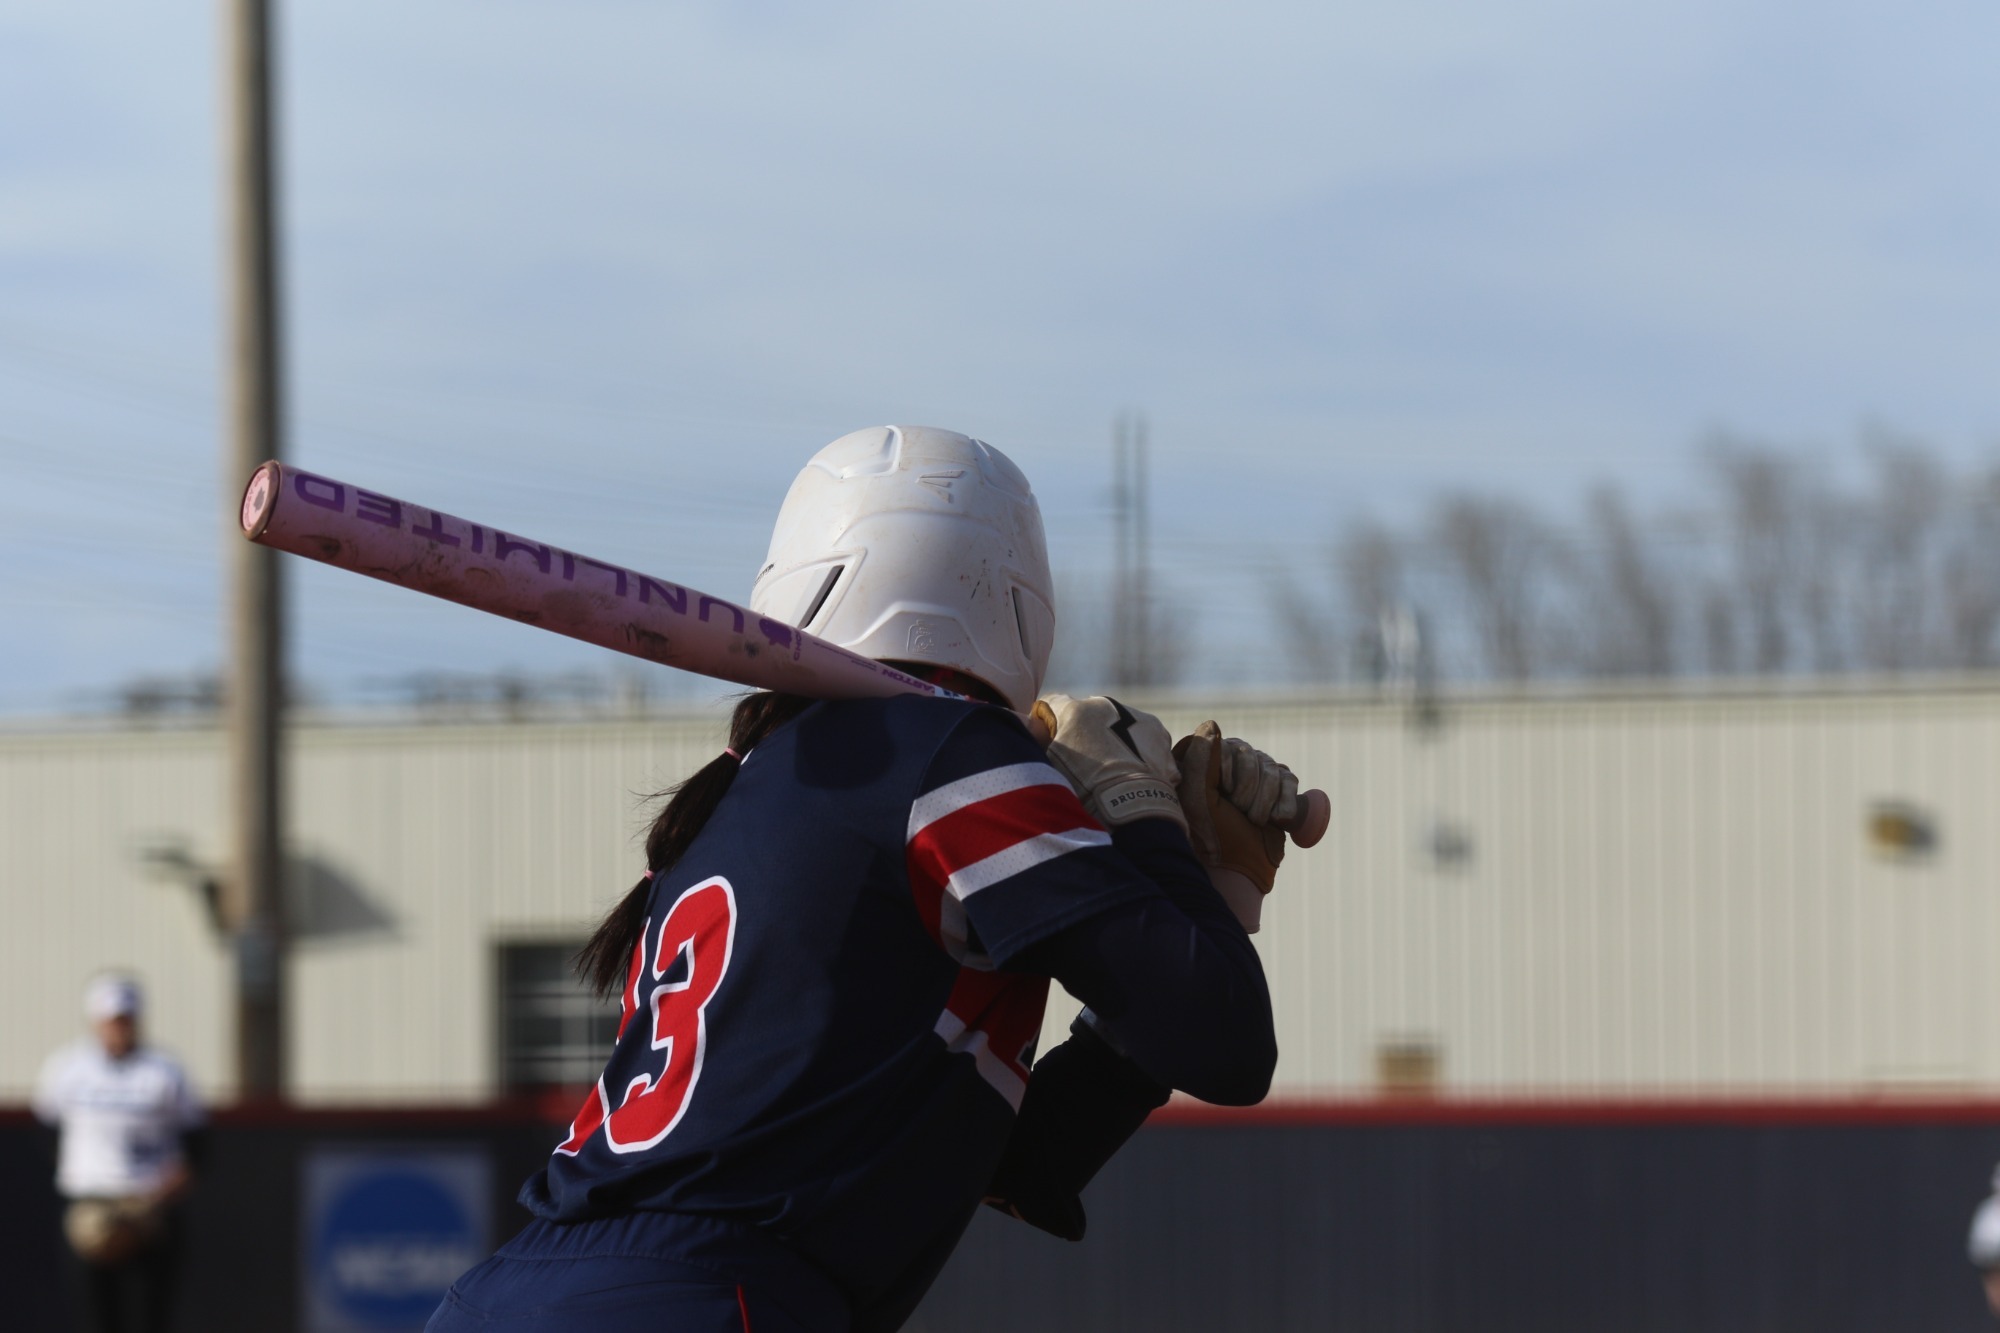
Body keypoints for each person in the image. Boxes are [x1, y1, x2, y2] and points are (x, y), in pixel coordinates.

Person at [428, 425, 1293, 1333]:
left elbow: (1016, 1162)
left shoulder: (736, 791)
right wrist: (1138, 807)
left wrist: (1213, 889)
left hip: (512, 1294)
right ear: (1018, 603)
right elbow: (1225, 1037)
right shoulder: (951, 753)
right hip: (706, 1302)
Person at [34, 974, 205, 1333]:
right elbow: (49, 1134)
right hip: (92, 1203)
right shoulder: (69, 1069)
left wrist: (170, 1186)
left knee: (149, 1314)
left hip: (148, 1202)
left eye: (126, 1019)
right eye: (112, 1020)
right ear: (96, 1022)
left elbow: (196, 1144)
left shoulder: (163, 1071)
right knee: (97, 1316)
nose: (120, 1028)